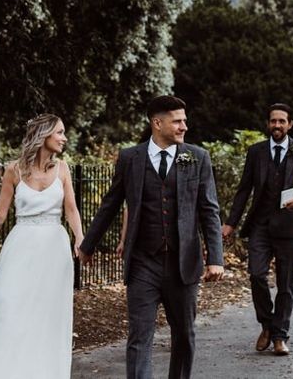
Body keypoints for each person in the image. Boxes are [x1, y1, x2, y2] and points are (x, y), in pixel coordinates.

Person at [79, 95, 224, 379]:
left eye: (184, 120)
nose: (184, 126)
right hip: (143, 262)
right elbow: (111, 204)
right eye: (178, 121)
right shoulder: (130, 158)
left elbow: (209, 210)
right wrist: (88, 245)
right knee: (139, 337)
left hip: (184, 263)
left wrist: (215, 259)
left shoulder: (197, 157)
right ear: (157, 123)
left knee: (184, 335)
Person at [0, 114, 83, 379]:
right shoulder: (14, 170)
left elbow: (72, 209)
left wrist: (79, 237)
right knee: (8, 308)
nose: (64, 138)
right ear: (43, 136)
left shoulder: (63, 169)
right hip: (20, 247)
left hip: (54, 249)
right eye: (60, 132)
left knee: (47, 315)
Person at [222, 103, 293, 356]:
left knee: (286, 285)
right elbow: (244, 189)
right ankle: (267, 324)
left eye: (281, 121)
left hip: (289, 226)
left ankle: (280, 335)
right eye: (273, 121)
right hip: (260, 225)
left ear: (290, 125)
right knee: (256, 275)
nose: (276, 125)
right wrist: (231, 222)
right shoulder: (256, 151)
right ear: (268, 124)